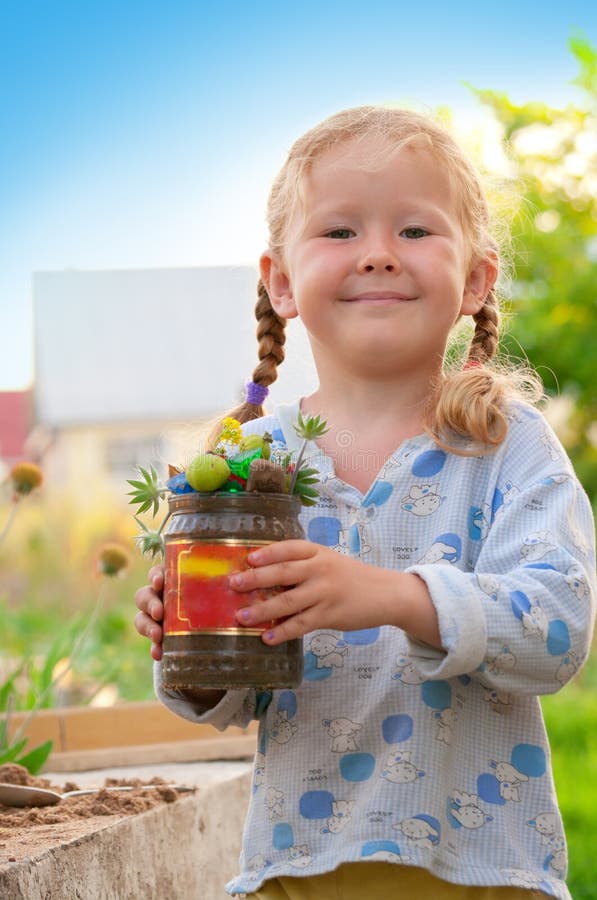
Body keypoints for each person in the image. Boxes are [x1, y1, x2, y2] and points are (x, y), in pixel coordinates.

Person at [134, 106, 596, 899]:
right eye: (340, 232)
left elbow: (556, 627)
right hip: (296, 870)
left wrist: (387, 595)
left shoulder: (505, 445)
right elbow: (236, 693)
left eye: (415, 231)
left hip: (479, 871)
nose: (378, 255)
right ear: (280, 281)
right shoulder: (248, 465)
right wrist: (195, 642)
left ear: (475, 279)